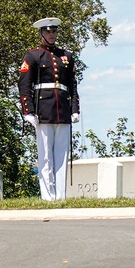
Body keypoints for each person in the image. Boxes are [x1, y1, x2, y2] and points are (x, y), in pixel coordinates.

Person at [18, 17, 80, 201]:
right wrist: (28, 110)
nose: (51, 35)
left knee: (62, 155)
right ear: (41, 34)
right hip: (43, 110)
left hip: (62, 109)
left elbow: (72, 86)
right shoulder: (33, 56)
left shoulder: (66, 56)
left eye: (53, 31)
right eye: (48, 32)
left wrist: (75, 109)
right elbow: (24, 85)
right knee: (45, 156)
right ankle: (48, 195)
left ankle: (60, 196)